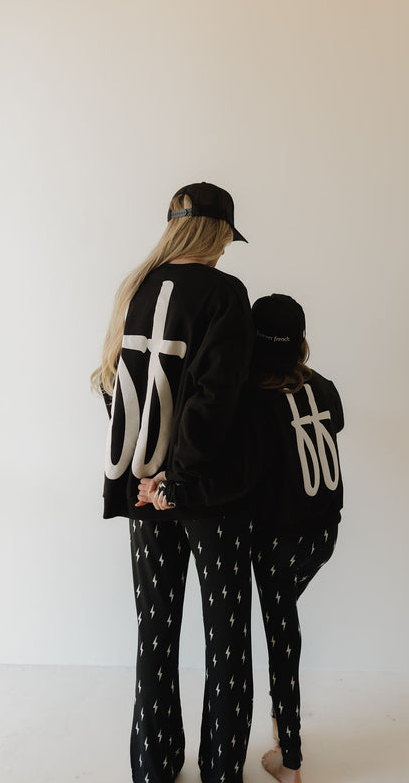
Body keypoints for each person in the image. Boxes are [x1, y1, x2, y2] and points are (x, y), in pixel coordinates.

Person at [91, 182, 255, 783]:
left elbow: (112, 386)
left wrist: (146, 474)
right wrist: (177, 481)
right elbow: (215, 400)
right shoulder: (225, 293)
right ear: (214, 234)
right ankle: (219, 772)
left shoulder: (133, 288)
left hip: (140, 493)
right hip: (207, 495)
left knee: (156, 631)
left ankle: (153, 766)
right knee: (227, 636)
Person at [250, 294, 344, 783]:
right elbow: (334, 428)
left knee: (281, 633)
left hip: (277, 540)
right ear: (302, 342)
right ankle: (280, 733)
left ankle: (290, 759)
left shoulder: (252, 398)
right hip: (324, 533)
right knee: (283, 621)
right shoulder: (324, 388)